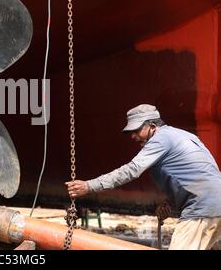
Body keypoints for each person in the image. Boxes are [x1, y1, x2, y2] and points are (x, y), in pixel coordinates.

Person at [66, 104, 221, 250]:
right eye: (130, 132)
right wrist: (171, 203)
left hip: (201, 208)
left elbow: (131, 170)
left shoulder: (160, 139)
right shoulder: (183, 135)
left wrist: (89, 186)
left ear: (153, 126)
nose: (133, 136)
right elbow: (201, 174)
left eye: (137, 130)